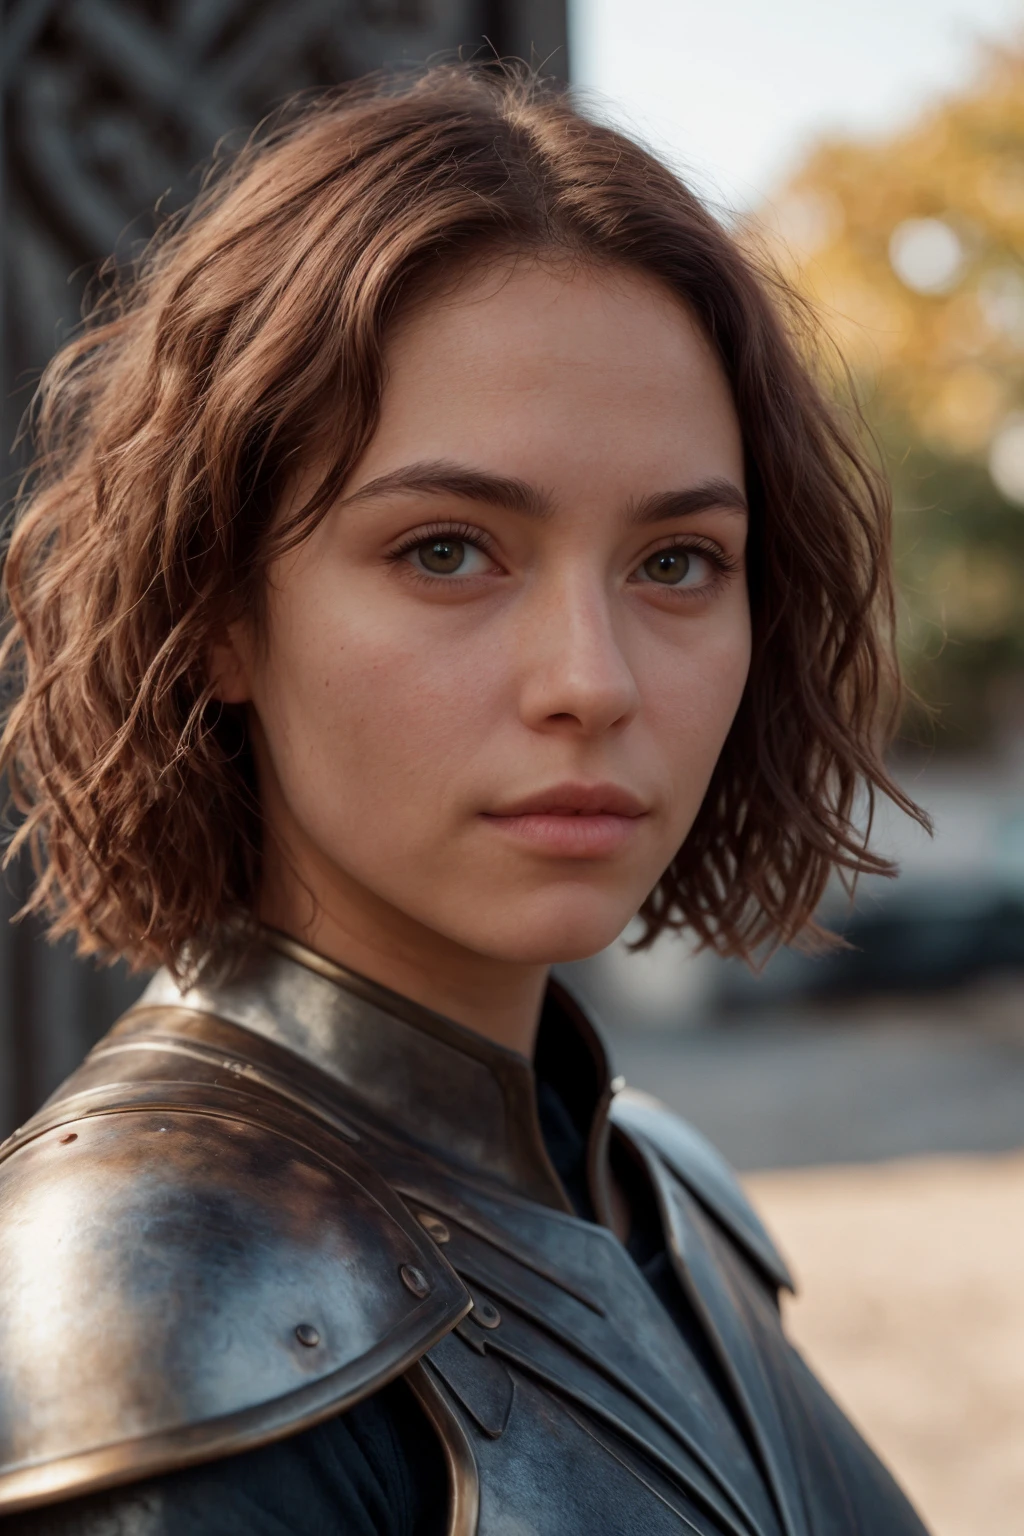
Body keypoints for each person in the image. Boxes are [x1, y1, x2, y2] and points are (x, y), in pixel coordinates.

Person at [0, 63, 930, 1536]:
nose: (593, 678)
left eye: (676, 560)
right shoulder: (145, 1299)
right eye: (447, 550)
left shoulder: (670, 1195)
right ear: (220, 612)